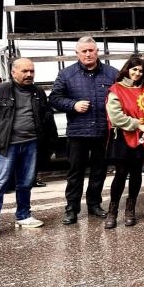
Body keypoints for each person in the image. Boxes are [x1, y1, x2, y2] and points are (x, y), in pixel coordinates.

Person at [0, 59, 55, 239]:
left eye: (31, 71)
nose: (29, 74)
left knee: (26, 183)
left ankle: (23, 216)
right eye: (24, 71)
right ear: (13, 72)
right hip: (6, 146)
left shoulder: (38, 92)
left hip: (31, 144)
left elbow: (45, 117)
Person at [50, 37, 118, 224]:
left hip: (102, 132)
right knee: (75, 173)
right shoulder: (66, 74)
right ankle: (71, 209)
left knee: (99, 171)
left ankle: (94, 205)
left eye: (91, 50)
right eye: (84, 51)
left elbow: (122, 97)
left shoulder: (112, 73)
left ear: (97, 51)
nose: (88, 54)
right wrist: (73, 105)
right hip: (77, 133)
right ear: (77, 53)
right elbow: (54, 98)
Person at [104, 56, 144, 229]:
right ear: (127, 69)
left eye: (141, 70)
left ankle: (130, 209)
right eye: (134, 69)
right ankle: (112, 211)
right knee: (120, 174)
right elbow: (116, 117)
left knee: (136, 173)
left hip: (142, 137)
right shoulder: (116, 89)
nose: (137, 73)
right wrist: (138, 124)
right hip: (123, 137)